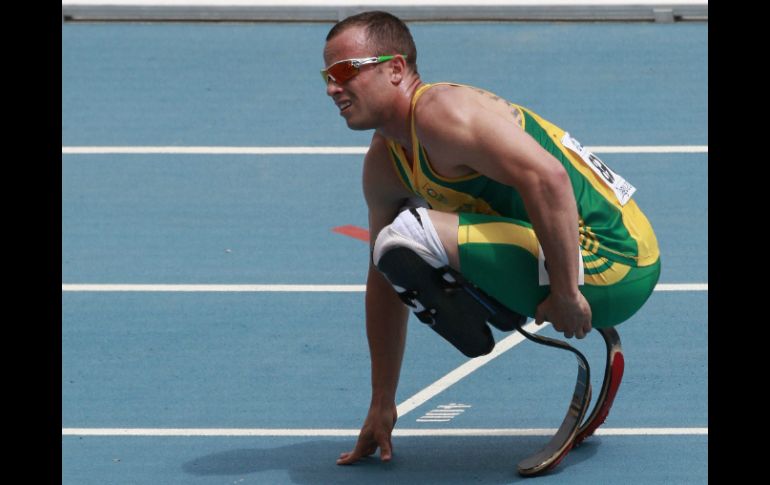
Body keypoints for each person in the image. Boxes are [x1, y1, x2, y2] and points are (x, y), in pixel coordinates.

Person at [321, 11, 661, 466]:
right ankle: (503, 305)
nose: (333, 88)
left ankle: (508, 307)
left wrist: (566, 294)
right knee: (392, 251)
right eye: (327, 76)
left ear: (396, 68)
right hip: (574, 262)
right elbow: (384, 280)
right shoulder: (386, 162)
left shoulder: (441, 113)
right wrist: (382, 401)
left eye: (346, 71)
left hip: (615, 260)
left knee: (407, 237)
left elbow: (550, 179)